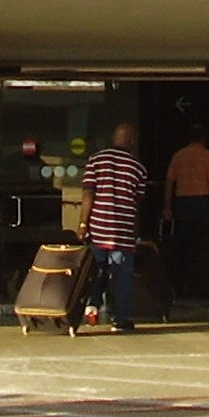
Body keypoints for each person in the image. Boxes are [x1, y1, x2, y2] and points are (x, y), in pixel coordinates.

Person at [79, 122, 149, 332]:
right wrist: (135, 233)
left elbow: (88, 194)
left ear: (113, 138)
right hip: (123, 231)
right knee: (122, 276)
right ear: (132, 141)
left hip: (99, 228)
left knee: (98, 270)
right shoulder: (139, 168)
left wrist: (83, 223)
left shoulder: (96, 161)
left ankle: (92, 307)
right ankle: (120, 319)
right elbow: (137, 203)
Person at [162, 122, 209, 269]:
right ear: (204, 138)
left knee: (184, 241)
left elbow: (169, 183)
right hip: (202, 202)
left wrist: (167, 206)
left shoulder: (178, 156)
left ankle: (185, 274)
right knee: (203, 242)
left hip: (182, 202)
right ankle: (201, 274)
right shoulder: (208, 156)